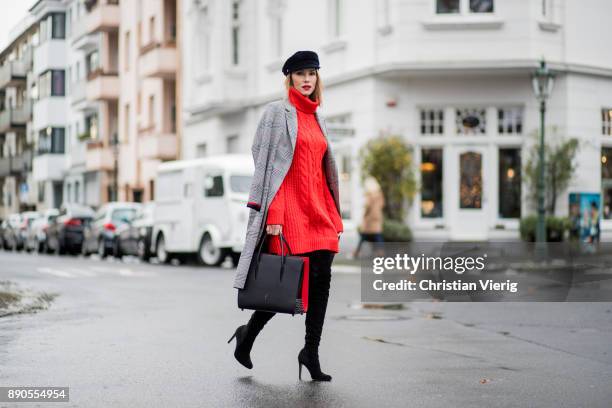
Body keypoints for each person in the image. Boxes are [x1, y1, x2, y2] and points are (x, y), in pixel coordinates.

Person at [229, 50, 344, 382]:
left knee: (322, 282)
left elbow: (323, 171)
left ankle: (311, 352)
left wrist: (335, 215)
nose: (307, 79)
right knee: (287, 284)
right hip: (289, 211)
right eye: (301, 74)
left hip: (320, 212)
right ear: (290, 78)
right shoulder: (277, 113)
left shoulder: (318, 116)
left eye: (312, 73)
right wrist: (274, 211)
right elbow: (265, 165)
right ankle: (247, 335)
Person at [352, 176, 385, 259]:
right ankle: (380, 251)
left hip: (369, 218)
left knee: (363, 236)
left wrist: (364, 214)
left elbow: (367, 205)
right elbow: (382, 204)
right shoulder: (379, 193)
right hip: (377, 216)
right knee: (377, 235)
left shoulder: (369, 194)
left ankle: (356, 252)